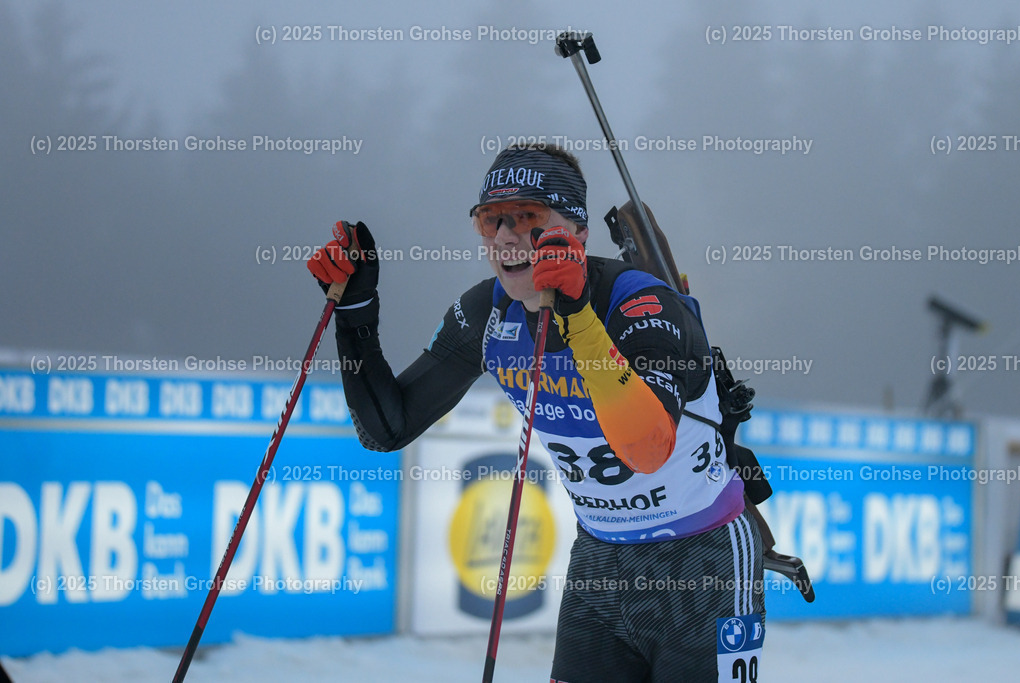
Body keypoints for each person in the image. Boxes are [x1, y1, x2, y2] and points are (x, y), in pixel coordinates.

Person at [307, 143, 765, 682]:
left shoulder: (641, 304)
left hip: (700, 558)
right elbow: (386, 429)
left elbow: (645, 449)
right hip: (599, 559)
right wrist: (356, 315)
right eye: (489, 220)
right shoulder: (488, 313)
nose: (504, 235)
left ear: (577, 232)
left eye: (526, 216)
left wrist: (578, 318)